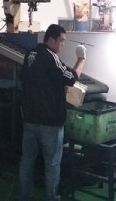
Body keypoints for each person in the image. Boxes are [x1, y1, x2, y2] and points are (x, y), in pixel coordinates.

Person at [18, 24, 86, 201]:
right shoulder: (51, 57)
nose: (63, 45)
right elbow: (72, 78)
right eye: (61, 41)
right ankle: (52, 197)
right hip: (50, 123)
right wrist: (81, 59)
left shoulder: (30, 54)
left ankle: (24, 196)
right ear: (51, 39)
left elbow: (25, 77)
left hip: (30, 119)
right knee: (52, 163)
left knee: (27, 160)